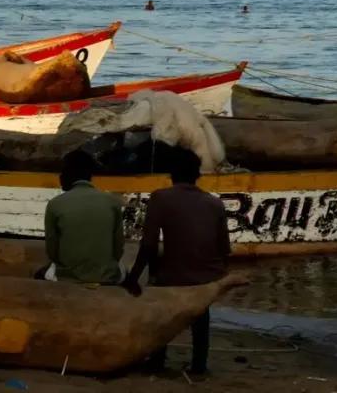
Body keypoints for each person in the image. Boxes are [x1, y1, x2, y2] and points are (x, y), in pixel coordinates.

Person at [121, 142, 230, 378]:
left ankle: (158, 358)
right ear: (198, 175)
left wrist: (132, 278)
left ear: (171, 175)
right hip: (207, 278)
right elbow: (224, 250)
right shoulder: (215, 203)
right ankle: (199, 364)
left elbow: (148, 245)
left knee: (161, 312)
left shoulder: (161, 198)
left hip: (174, 277)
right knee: (202, 316)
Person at [38, 151, 124, 284]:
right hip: (106, 277)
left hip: (67, 277)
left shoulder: (55, 204)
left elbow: (52, 252)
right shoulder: (111, 202)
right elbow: (118, 249)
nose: (60, 178)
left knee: (39, 275)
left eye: (62, 173)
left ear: (69, 174)